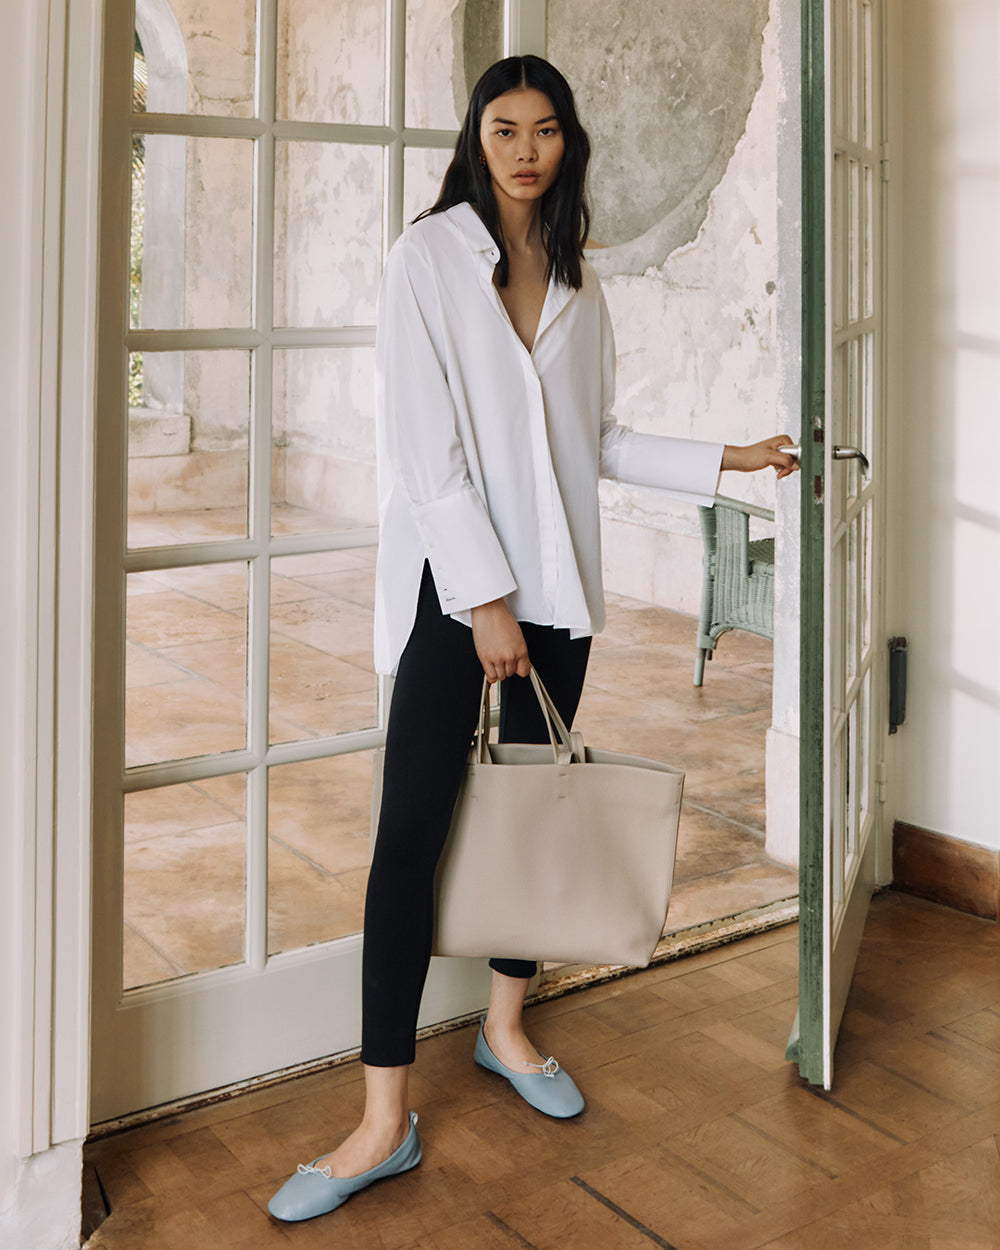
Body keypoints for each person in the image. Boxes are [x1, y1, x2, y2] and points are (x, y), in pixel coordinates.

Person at [268, 54, 797, 1223]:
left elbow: (594, 441)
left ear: (566, 146)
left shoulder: (578, 282)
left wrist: (726, 459)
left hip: (558, 594)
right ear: (477, 137)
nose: (523, 148)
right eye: (503, 127)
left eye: (545, 129)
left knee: (534, 810)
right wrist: (482, 597)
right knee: (408, 835)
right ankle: (380, 1119)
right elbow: (423, 449)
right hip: (456, 596)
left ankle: (508, 1029)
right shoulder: (425, 261)